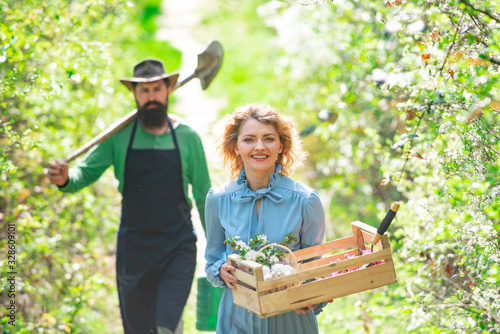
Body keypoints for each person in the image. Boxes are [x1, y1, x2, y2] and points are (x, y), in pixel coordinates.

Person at [47, 59, 211, 334]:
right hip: (133, 250)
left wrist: (217, 248)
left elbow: (204, 196)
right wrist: (65, 179)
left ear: (168, 91)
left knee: (166, 326)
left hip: (178, 246)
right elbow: (83, 174)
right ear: (134, 94)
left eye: (156, 89)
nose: (151, 97)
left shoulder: (187, 137)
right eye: (144, 91)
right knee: (138, 328)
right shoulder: (118, 136)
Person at [204, 104, 326, 333]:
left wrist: (313, 297)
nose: (259, 147)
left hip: (290, 319)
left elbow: (316, 267)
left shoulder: (306, 200)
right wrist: (221, 270)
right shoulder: (218, 200)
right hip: (236, 317)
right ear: (235, 147)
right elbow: (211, 260)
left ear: (281, 145)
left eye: (268, 138)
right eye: (249, 139)